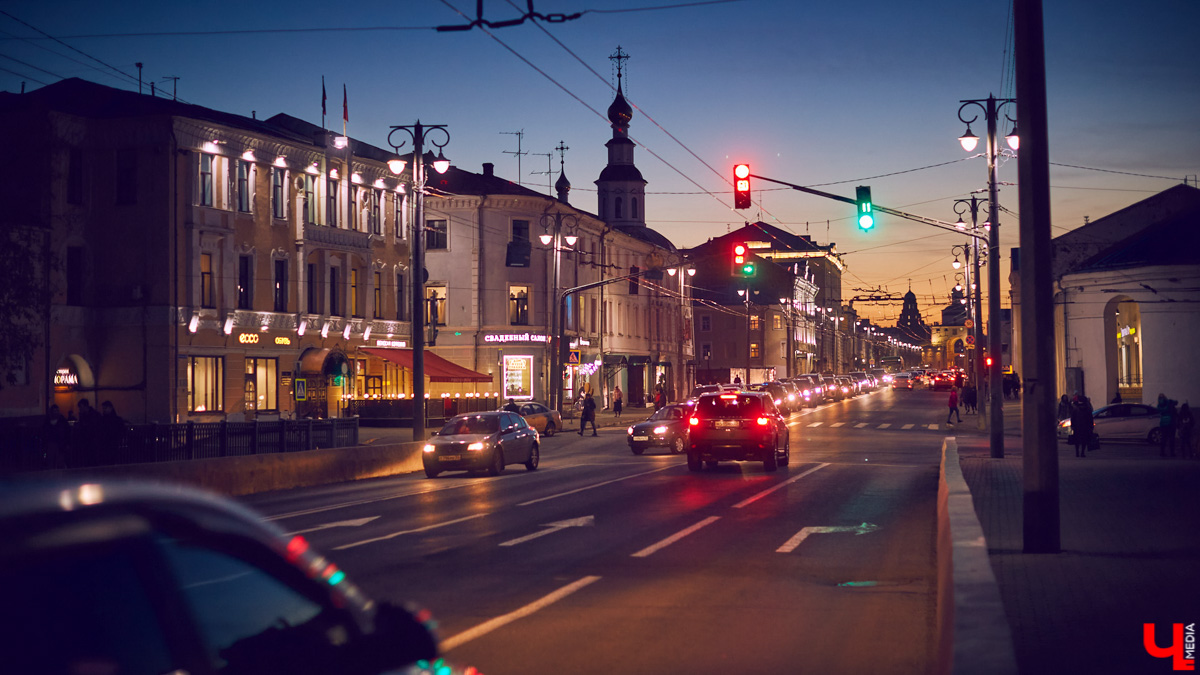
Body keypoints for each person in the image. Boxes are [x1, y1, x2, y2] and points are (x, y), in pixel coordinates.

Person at [1157, 393, 1179, 457]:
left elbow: (1160, 411)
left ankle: (1162, 452)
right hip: (1170, 423)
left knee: (1164, 439)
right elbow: (1176, 402)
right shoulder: (1169, 403)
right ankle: (1172, 453)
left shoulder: (1159, 405)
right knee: (1171, 439)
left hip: (1163, 423)